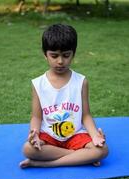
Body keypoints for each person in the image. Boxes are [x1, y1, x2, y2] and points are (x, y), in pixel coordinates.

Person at [19, 24, 109, 168]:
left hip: (75, 135)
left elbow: (86, 115)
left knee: (103, 150)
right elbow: (36, 117)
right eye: (54, 56)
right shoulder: (38, 83)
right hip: (49, 136)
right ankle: (80, 156)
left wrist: (95, 136)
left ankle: (45, 164)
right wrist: (34, 134)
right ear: (45, 54)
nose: (60, 61)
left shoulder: (81, 81)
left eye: (66, 55)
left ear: (73, 54)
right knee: (27, 149)